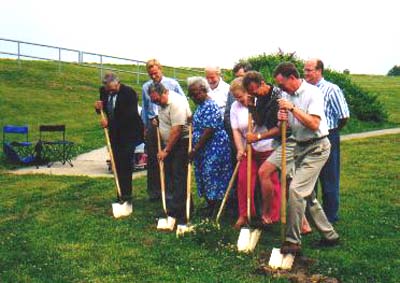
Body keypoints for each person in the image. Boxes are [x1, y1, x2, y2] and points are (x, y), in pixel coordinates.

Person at [264, 62, 339, 254]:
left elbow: (314, 124)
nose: (280, 88)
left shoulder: (313, 93)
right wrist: (282, 120)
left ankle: (292, 242)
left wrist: (292, 109)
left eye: (282, 84)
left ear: (292, 78)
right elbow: (287, 128)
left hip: (317, 147)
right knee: (308, 196)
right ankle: (330, 236)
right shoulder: (285, 95)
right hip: (298, 146)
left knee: (296, 191)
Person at [243, 70, 312, 234]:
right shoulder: (259, 98)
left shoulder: (278, 97)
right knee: (289, 184)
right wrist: (252, 107)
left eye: (254, 91)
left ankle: (267, 215)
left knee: (264, 172)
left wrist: (258, 136)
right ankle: (304, 224)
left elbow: (280, 128)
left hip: (290, 141)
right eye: (250, 92)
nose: (253, 94)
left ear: (262, 84)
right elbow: (260, 121)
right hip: (278, 143)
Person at [229, 77, 280, 229]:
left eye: (240, 96)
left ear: (248, 92)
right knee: (244, 181)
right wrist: (239, 149)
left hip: (267, 146)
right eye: (236, 98)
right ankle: (244, 215)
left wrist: (252, 107)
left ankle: (272, 215)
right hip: (248, 148)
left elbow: (267, 124)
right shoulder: (235, 107)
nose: (239, 100)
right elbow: (236, 130)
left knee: (270, 180)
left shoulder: (261, 101)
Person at [304, 59, 350, 223]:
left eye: (309, 70)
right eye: (305, 70)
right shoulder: (305, 90)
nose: (306, 73)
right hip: (308, 137)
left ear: (319, 71)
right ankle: (310, 214)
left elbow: (343, 116)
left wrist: (332, 131)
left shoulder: (331, 89)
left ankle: (330, 216)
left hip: (328, 135)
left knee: (329, 176)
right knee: (310, 177)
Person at [95, 73, 144, 213]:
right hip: (114, 135)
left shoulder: (129, 93)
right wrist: (98, 109)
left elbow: (129, 116)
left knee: (126, 164)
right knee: (116, 164)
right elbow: (104, 110)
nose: (110, 92)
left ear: (118, 83)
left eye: (112, 89)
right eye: (108, 89)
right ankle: (119, 194)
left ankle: (127, 196)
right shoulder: (104, 91)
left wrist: (109, 122)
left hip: (129, 133)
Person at [187, 77, 233, 217]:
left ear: (203, 90)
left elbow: (209, 130)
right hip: (203, 149)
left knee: (212, 175)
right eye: (191, 95)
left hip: (214, 147)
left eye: (195, 94)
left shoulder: (210, 105)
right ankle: (210, 204)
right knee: (203, 175)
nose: (193, 97)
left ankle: (218, 206)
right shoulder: (200, 106)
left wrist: (195, 149)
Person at [141, 59, 185, 201]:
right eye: (150, 74)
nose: (153, 77)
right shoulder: (146, 87)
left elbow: (183, 101)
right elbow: (145, 107)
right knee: (154, 159)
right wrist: (145, 126)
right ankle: (155, 191)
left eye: (155, 73)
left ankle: (169, 190)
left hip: (170, 123)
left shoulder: (172, 84)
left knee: (168, 157)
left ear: (160, 69)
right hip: (153, 124)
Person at [149, 82, 191, 224]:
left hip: (181, 142)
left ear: (165, 92)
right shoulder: (162, 103)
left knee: (179, 176)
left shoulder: (176, 102)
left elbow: (177, 130)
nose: (157, 103)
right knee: (170, 176)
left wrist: (166, 150)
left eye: (158, 100)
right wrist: (157, 121)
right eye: (153, 101)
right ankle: (175, 207)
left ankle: (179, 211)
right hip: (170, 143)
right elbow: (166, 120)